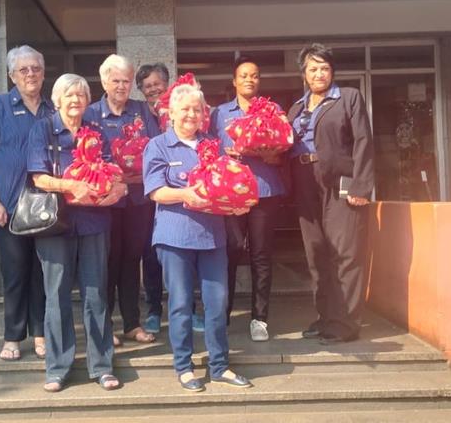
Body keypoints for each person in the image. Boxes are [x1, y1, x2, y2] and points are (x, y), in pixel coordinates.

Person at [143, 83, 252, 392]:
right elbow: (156, 192)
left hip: (212, 237)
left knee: (217, 302)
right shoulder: (158, 146)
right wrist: (187, 194)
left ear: (205, 114)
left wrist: (238, 195)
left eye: (197, 109)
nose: (191, 114)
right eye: (185, 109)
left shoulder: (214, 145)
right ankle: (184, 366)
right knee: (180, 304)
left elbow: (228, 183)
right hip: (175, 236)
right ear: (172, 112)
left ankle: (219, 365)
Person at [27, 74, 127, 393]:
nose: (75, 101)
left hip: (94, 222)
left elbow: (114, 173)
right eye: (69, 96)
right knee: (56, 297)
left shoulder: (96, 131)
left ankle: (102, 366)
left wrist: (115, 190)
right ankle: (58, 368)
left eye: (81, 96)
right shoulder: (41, 128)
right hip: (55, 223)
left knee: (96, 295)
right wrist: (71, 185)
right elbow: (38, 178)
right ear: (57, 100)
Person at [0, 45, 53, 362]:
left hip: (47, 208)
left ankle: (42, 333)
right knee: (16, 273)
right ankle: (13, 336)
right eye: (23, 70)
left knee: (43, 274)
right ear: (11, 75)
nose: (30, 74)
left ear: (43, 73)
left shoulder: (52, 108)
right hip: (9, 208)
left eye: (36, 68)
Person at [287, 43, 374, 345]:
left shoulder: (348, 98)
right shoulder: (296, 108)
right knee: (317, 254)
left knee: (345, 253)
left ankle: (346, 323)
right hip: (306, 186)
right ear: (304, 74)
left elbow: (363, 140)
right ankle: (326, 317)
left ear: (332, 71)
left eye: (324, 68)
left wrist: (361, 185)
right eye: (313, 68)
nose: (319, 73)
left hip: (340, 184)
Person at [209, 58, 285, 341]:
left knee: (261, 255)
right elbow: (209, 149)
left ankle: (260, 318)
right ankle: (223, 314)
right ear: (234, 81)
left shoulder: (273, 110)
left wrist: (265, 152)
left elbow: (283, 153)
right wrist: (225, 155)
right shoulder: (219, 114)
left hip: (264, 191)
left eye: (254, 75)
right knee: (228, 251)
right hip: (230, 192)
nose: (249, 80)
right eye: (244, 76)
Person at [87, 55, 160, 346]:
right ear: (104, 81)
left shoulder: (143, 111)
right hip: (103, 203)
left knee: (132, 260)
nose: (121, 86)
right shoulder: (91, 114)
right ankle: (105, 326)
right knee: (104, 262)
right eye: (115, 80)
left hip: (138, 201)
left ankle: (132, 323)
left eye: (126, 81)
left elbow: (155, 150)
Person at [135, 62, 171, 334]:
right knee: (150, 254)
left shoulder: (178, 109)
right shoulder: (138, 116)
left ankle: (188, 309)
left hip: (177, 194)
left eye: (157, 84)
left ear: (167, 84)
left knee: (181, 254)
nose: (152, 89)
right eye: (147, 86)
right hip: (147, 197)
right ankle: (154, 310)